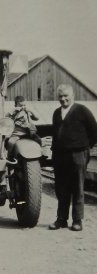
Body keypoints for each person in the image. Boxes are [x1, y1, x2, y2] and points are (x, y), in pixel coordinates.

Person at [49, 84, 97, 231]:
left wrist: (85, 147)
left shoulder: (82, 111)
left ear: (72, 96)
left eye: (66, 96)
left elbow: (94, 131)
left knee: (77, 187)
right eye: (60, 96)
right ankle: (61, 219)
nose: (63, 99)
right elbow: (55, 134)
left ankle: (77, 221)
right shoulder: (57, 113)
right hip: (60, 155)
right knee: (61, 188)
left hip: (78, 154)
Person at [6, 95, 41, 161]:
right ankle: (9, 157)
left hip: (28, 133)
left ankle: (39, 157)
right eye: (20, 106)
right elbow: (6, 118)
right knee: (11, 142)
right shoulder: (13, 113)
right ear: (15, 105)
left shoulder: (26, 112)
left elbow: (37, 118)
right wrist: (12, 111)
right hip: (17, 134)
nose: (23, 107)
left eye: (24, 105)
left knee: (39, 140)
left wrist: (30, 111)